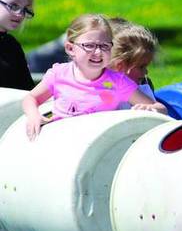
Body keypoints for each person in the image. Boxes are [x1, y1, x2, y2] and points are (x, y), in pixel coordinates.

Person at [22, 13, 167, 140]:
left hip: (97, 147)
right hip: (62, 140)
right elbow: (31, 98)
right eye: (89, 46)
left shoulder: (117, 82)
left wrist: (152, 109)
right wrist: (33, 115)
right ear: (70, 48)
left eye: (104, 46)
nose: (97, 52)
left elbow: (159, 108)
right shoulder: (59, 74)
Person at [110, 20, 160, 108]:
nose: (146, 72)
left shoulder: (141, 86)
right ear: (120, 66)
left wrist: (153, 108)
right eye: (141, 67)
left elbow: (159, 108)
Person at [0, 0, 35, 90]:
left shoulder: (11, 45)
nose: (20, 14)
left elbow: (26, 92)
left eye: (25, 9)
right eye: (14, 5)